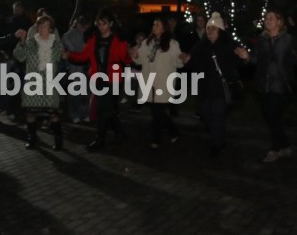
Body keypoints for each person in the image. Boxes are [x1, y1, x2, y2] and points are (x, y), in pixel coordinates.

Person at [236, 9, 297, 163]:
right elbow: (256, 59)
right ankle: (285, 145)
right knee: (270, 118)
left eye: (271, 18)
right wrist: (247, 57)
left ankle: (275, 150)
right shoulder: (261, 40)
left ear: (279, 21)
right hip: (263, 85)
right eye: (266, 18)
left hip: (281, 84)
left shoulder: (288, 39)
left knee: (274, 116)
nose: (268, 21)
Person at [64, 8, 132, 151]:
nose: (101, 27)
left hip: (113, 79)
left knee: (103, 109)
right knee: (107, 109)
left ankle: (100, 139)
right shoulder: (94, 39)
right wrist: (69, 55)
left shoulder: (118, 40)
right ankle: (119, 133)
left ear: (111, 24)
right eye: (99, 24)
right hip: (98, 79)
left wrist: (131, 54)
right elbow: (83, 56)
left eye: (104, 23)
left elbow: (125, 59)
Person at [182, 12, 242, 156]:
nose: (210, 31)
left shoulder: (229, 45)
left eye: (213, 28)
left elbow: (238, 63)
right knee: (207, 116)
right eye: (208, 28)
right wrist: (187, 60)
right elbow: (193, 64)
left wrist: (243, 57)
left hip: (220, 89)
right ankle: (218, 136)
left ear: (220, 30)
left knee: (217, 116)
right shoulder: (201, 45)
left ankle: (217, 145)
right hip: (204, 89)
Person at [131, 16, 184, 149]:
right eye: (154, 24)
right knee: (157, 111)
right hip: (149, 81)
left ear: (164, 28)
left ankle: (157, 139)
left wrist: (181, 58)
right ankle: (173, 132)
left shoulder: (172, 44)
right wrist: (135, 55)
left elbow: (177, 61)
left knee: (157, 112)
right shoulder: (147, 43)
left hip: (163, 81)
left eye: (157, 25)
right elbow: (140, 59)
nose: (154, 27)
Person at [13, 15, 64, 150]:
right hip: (33, 83)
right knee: (30, 113)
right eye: (39, 26)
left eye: (45, 26)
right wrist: (22, 40)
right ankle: (32, 138)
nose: (41, 29)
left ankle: (58, 139)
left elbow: (58, 59)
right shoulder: (31, 42)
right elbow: (19, 56)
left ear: (51, 29)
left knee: (53, 114)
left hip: (49, 83)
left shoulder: (56, 44)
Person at [61, 15, 91, 123]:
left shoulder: (88, 33)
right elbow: (73, 49)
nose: (84, 28)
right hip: (74, 66)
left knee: (86, 91)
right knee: (75, 91)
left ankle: (85, 113)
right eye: (82, 25)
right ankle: (74, 114)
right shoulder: (68, 35)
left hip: (87, 65)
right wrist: (85, 49)